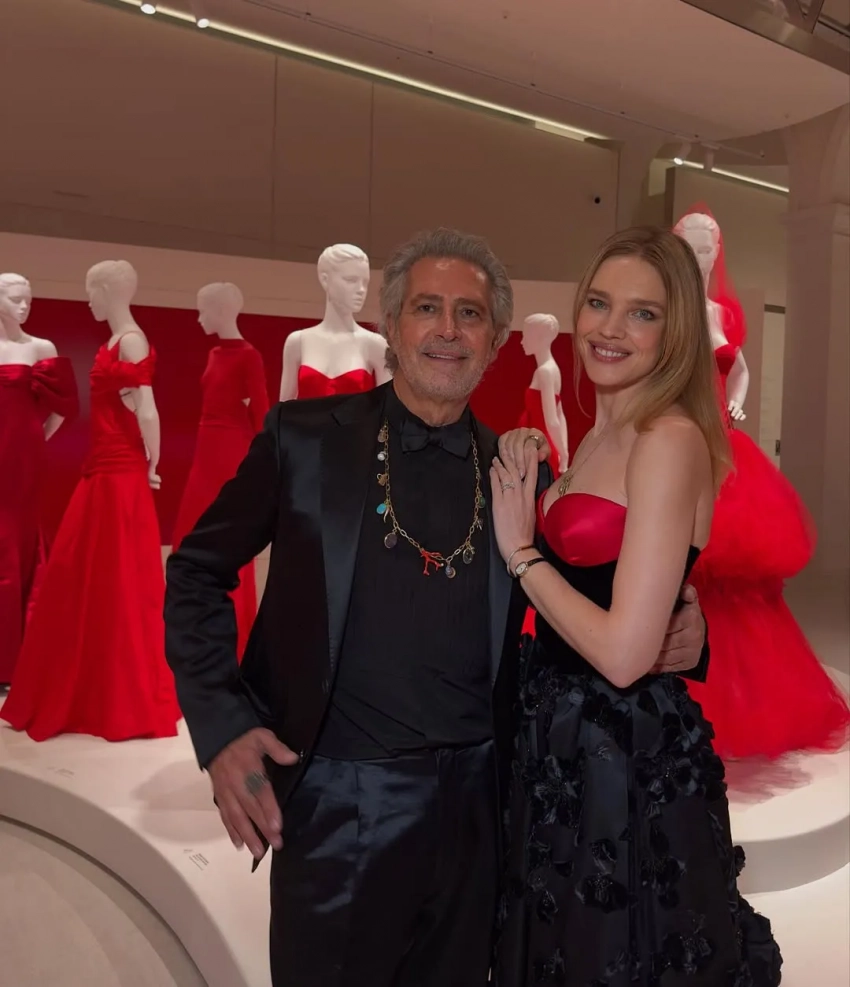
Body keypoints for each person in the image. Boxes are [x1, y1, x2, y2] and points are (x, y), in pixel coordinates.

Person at [164, 227, 709, 987]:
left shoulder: (521, 471)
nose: (448, 329)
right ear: (391, 324)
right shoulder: (304, 441)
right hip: (336, 803)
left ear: (496, 340)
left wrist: (689, 631)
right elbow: (195, 573)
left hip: (485, 811)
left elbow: (603, 594)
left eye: (470, 313)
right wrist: (223, 729)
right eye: (427, 307)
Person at [489, 227, 781, 986]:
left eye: (642, 313)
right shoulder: (601, 429)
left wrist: (520, 551)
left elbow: (624, 654)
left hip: (617, 753)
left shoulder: (668, 438)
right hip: (561, 738)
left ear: (675, 331)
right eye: (599, 303)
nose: (610, 328)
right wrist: (532, 460)